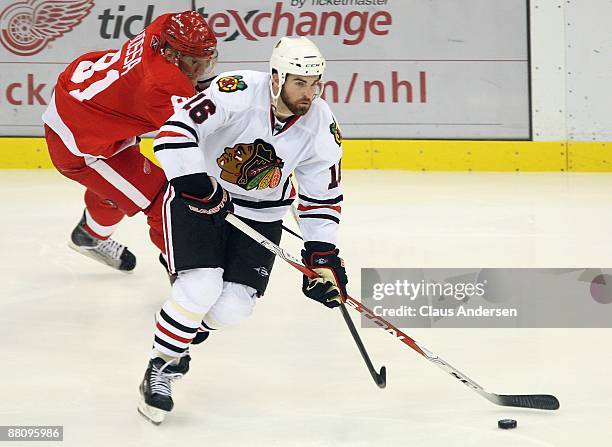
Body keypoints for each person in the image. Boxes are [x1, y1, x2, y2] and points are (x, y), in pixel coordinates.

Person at [137, 36, 348, 425]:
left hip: (263, 215)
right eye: (299, 82)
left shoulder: (321, 122)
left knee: (233, 308)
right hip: (201, 200)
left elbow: (322, 195)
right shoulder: (234, 92)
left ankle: (185, 331)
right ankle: (162, 365)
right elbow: (174, 133)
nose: (310, 93)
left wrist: (323, 257)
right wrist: (196, 183)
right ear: (276, 77)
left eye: (315, 82)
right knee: (200, 287)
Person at [42, 11, 218, 272]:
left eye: (206, 61)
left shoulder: (165, 26)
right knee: (164, 200)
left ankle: (89, 235)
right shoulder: (162, 87)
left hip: (90, 110)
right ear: (171, 55)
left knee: (120, 187)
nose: (201, 70)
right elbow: (193, 142)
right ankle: (189, 271)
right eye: (194, 62)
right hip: (80, 146)